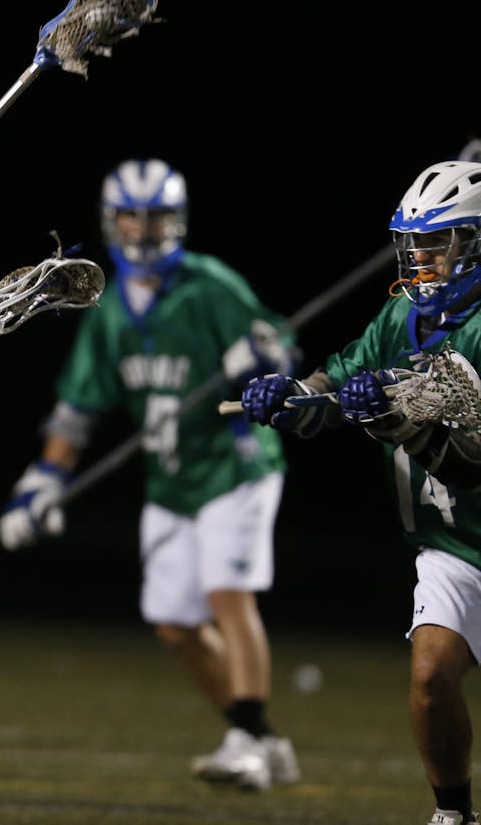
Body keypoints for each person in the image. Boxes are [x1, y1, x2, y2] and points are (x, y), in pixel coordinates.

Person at [0, 159, 302, 791]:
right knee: (174, 624)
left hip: (234, 464)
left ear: (177, 219)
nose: (141, 229)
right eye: (130, 215)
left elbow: (283, 351)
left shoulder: (209, 285)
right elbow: (77, 411)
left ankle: (244, 738)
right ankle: (264, 737)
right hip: (170, 480)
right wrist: (42, 482)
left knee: (227, 596)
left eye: (154, 215)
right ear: (112, 221)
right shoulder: (109, 310)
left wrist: (262, 356)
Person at [240, 160, 481, 825]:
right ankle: (454, 814)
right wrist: (292, 399)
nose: (423, 261)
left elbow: (471, 464)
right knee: (432, 677)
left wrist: (399, 421)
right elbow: (339, 387)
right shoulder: (400, 315)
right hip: (455, 543)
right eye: (417, 246)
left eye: (441, 245)